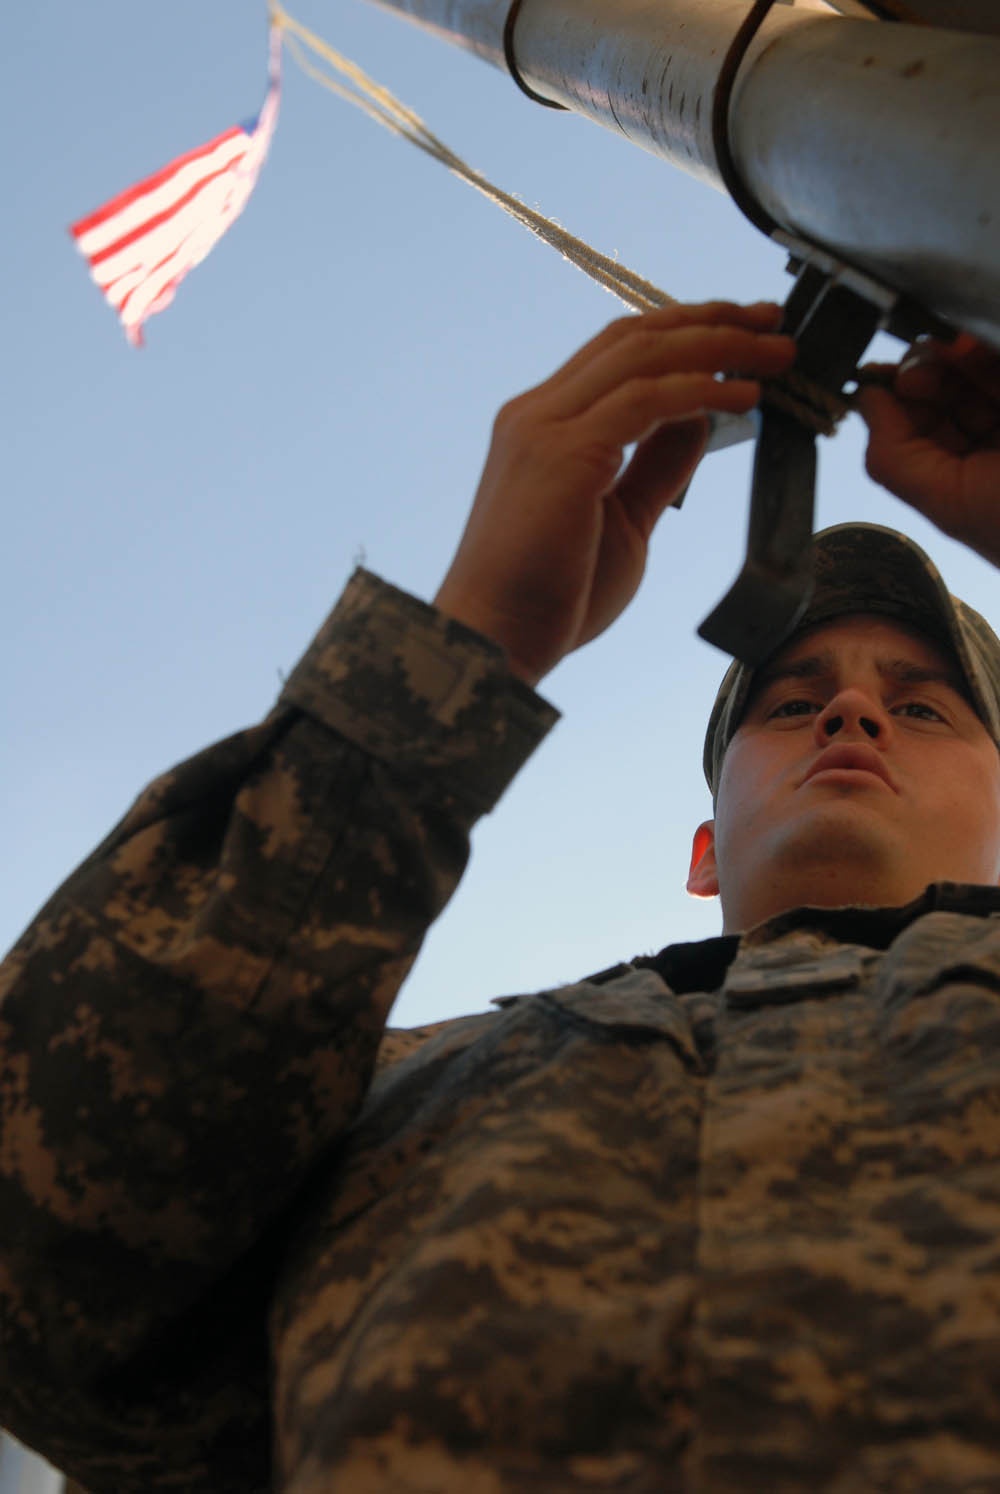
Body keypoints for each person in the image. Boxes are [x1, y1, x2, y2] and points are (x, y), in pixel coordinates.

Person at [1, 301, 999, 1494]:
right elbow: (47, 1297)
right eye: (787, 702)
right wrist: (468, 640)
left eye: (924, 705)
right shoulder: (385, 1097)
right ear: (704, 853)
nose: (849, 712)